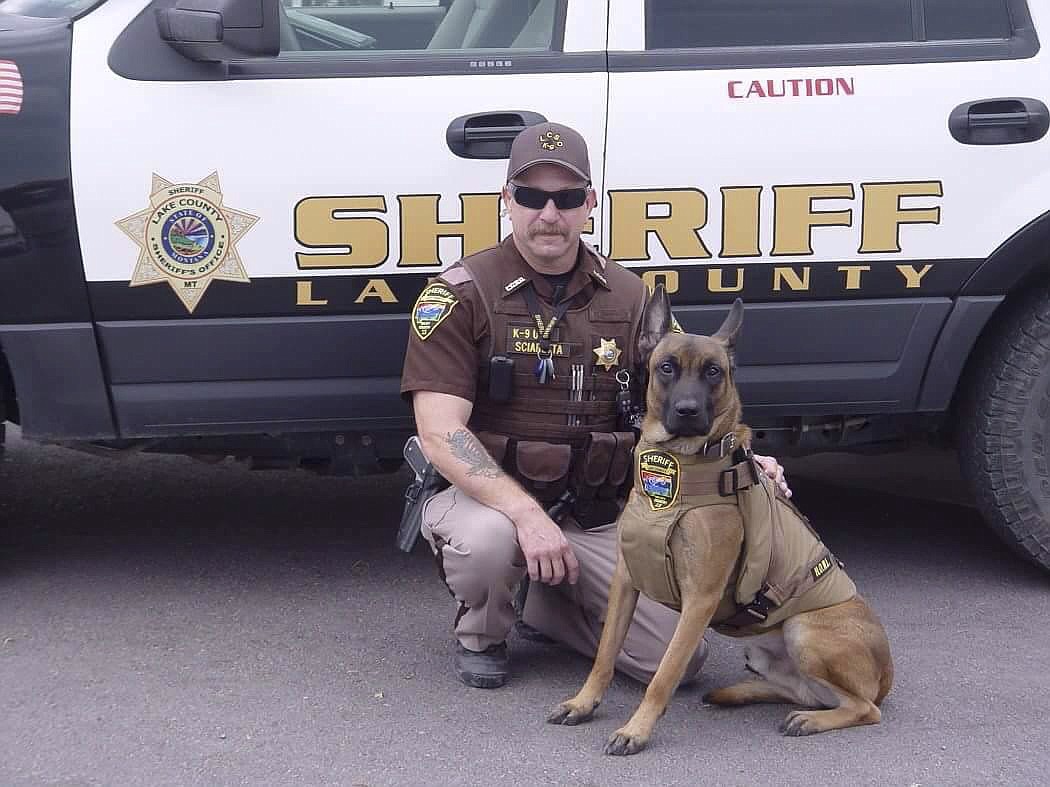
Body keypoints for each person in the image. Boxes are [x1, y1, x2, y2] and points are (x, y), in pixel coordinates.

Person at [400, 121, 790, 689]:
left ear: (589, 205)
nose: (549, 214)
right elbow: (440, 432)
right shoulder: (461, 293)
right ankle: (484, 629)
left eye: (567, 198)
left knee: (676, 664)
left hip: (594, 509)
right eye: (532, 197)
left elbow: (690, 391)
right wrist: (527, 516)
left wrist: (744, 461)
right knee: (490, 543)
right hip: (490, 503)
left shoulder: (631, 297)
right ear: (507, 201)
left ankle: (544, 604)